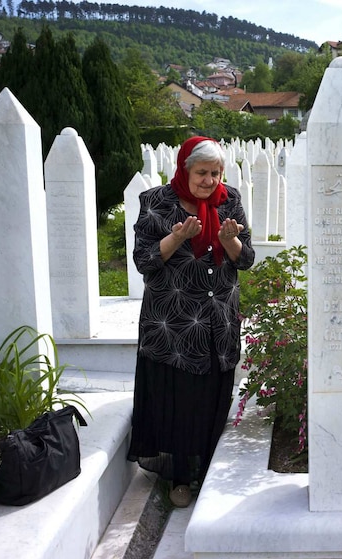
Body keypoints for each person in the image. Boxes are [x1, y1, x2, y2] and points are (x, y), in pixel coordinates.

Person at [127, 136, 255, 508]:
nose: (210, 181)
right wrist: (176, 237)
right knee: (179, 401)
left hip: (218, 319)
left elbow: (244, 258)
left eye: (216, 173)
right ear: (184, 169)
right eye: (202, 173)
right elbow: (144, 262)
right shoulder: (156, 202)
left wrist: (229, 241)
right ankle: (179, 477)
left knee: (212, 396)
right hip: (174, 323)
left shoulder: (229, 199)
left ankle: (208, 470)